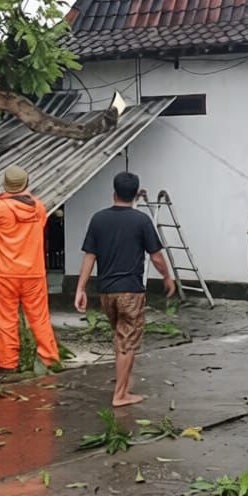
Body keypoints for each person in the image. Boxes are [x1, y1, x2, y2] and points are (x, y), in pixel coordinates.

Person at [74, 171, 176, 407]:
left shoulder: (98, 219)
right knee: (127, 343)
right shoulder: (141, 220)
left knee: (122, 339)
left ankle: (125, 385)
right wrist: (167, 277)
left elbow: (90, 256)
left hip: (106, 292)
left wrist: (81, 288)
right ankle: (120, 394)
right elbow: (157, 256)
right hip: (130, 291)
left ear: (114, 193)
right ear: (135, 194)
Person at [0, 165, 60, 373]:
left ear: (5, 184)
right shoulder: (39, 208)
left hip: (3, 274)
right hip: (33, 273)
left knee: (6, 320)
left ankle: (8, 364)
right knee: (40, 319)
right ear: (26, 183)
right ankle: (50, 360)